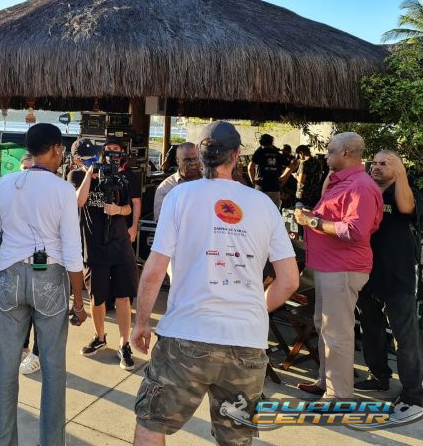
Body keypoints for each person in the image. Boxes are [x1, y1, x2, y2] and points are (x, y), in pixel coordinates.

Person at [131, 121, 299, 446]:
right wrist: (255, 309)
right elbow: (289, 280)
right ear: (236, 155)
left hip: (186, 336)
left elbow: (154, 269)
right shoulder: (264, 204)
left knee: (152, 422)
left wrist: (141, 323)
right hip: (247, 342)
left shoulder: (180, 196)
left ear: (200, 154)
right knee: (236, 439)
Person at [0, 123, 87, 446]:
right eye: (61, 149)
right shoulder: (63, 190)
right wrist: (78, 301)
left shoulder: (6, 183)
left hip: (9, 276)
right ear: (54, 149)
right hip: (49, 278)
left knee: (4, 367)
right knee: (53, 369)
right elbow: (73, 253)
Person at [294, 132, 383, 399]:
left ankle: (339, 396)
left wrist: (311, 221)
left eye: (331, 151)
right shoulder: (343, 182)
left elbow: (355, 231)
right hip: (330, 266)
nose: (326, 155)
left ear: (346, 153)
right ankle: (326, 383)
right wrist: (312, 218)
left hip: (342, 268)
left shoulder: (360, 186)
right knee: (325, 328)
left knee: (337, 333)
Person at [355, 151, 423, 424]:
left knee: (404, 337)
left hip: (397, 276)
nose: (376, 167)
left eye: (384, 164)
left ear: (397, 168)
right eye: (374, 163)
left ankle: (413, 394)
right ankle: (378, 376)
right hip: (366, 273)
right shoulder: (365, 189)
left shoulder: (405, 191)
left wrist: (402, 175)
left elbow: (407, 209)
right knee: (370, 330)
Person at [69, 138, 139, 370]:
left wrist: (118, 210)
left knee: (123, 296)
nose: (94, 160)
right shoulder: (76, 176)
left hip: (119, 245)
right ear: (78, 160)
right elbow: (79, 201)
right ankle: (100, 337)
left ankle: (124, 343)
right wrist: (90, 174)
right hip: (94, 245)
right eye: (87, 158)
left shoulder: (117, 175)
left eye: (95, 156)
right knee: (97, 297)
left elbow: (128, 207)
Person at [17, 152, 41, 375]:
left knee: (39, 309)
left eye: (32, 168)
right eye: (24, 169)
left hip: (42, 259)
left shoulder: (48, 193)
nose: (28, 173)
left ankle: (37, 353)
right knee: (21, 308)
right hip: (18, 260)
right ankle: (23, 347)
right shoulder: (11, 193)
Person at [153, 142, 200, 221]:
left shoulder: (210, 181)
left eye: (196, 159)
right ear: (178, 161)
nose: (193, 163)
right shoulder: (166, 188)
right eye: (187, 160)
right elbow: (161, 221)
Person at [247, 134, 290, 207]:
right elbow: (290, 166)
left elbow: (250, 167)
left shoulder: (259, 153)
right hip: (275, 187)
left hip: (262, 187)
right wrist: (283, 177)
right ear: (272, 142)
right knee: (274, 210)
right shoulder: (276, 153)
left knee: (261, 209)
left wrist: (252, 180)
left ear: (260, 142)